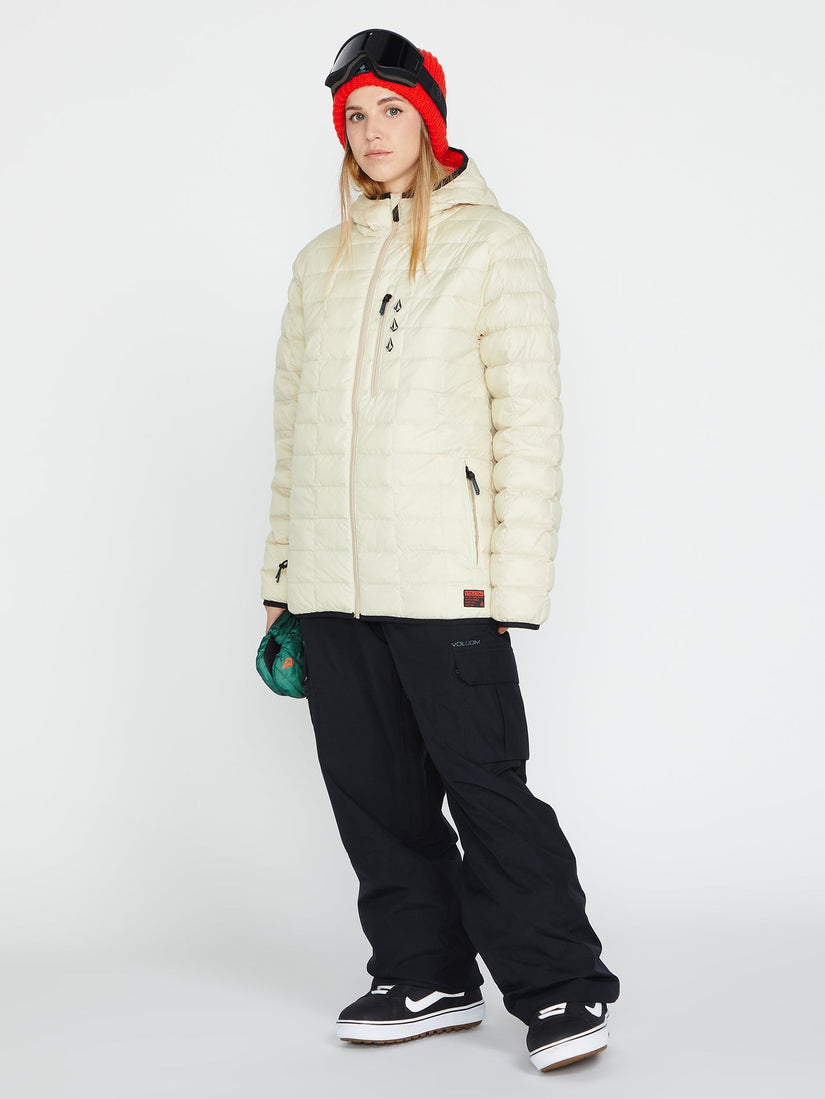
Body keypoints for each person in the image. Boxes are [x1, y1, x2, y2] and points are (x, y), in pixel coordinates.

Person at [259, 28, 620, 1073]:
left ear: (429, 119)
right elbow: (293, 437)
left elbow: (528, 427)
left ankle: (561, 984)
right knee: (372, 792)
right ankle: (425, 972)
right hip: (330, 583)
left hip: (444, 578)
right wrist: (281, 577)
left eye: (392, 110)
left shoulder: (492, 246)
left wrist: (512, 585)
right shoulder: (317, 263)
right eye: (355, 116)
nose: (372, 132)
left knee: (486, 785)